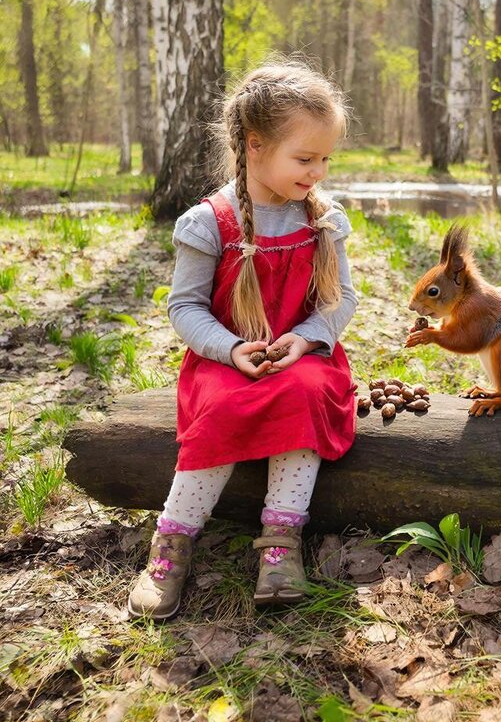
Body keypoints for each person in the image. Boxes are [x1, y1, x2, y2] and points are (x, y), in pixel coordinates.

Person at [128, 59, 358, 619]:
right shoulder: (210, 222)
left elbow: (341, 300)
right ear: (255, 146)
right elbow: (184, 307)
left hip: (301, 357)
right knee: (224, 405)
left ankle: (280, 542)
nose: (318, 171)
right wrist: (230, 349)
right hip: (225, 358)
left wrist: (307, 339)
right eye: (305, 159)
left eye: (326, 158)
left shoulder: (324, 218)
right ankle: (171, 544)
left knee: (305, 392)